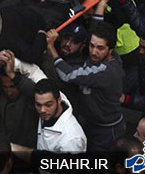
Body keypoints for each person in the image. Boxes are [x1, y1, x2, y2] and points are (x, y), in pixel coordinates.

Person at [45, 21, 125, 151]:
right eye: (91, 46)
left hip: (106, 131)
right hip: (89, 121)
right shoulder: (97, 57)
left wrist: (51, 47)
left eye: (100, 48)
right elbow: (97, 23)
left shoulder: (107, 71)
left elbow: (68, 75)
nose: (93, 52)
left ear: (110, 50)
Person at [0, 50, 39, 150]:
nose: (9, 92)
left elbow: (35, 92)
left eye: (12, 87)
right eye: (5, 87)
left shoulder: (29, 100)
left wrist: (12, 74)